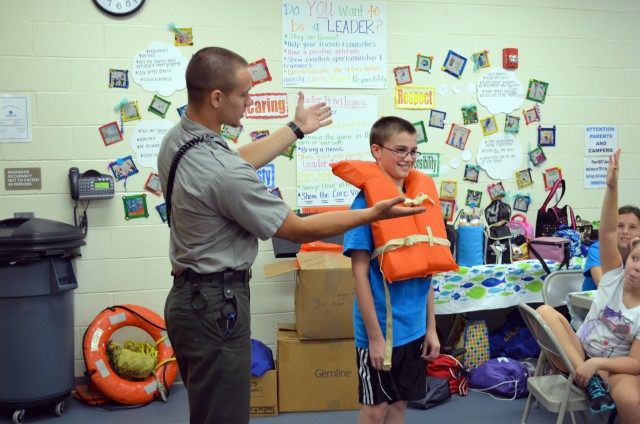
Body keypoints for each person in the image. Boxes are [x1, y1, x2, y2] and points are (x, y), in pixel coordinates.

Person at [156, 47, 426, 424]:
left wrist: (295, 128)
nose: (249, 102)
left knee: (207, 411)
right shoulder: (222, 173)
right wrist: (371, 213)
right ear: (217, 98)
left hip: (189, 300)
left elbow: (237, 158)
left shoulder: (180, 138)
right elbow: (296, 229)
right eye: (244, 94)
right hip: (216, 305)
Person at [341, 117, 442, 424]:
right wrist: (374, 337)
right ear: (377, 150)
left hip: (413, 330)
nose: (408, 158)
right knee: (376, 410)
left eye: (413, 151)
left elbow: (425, 270)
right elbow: (359, 275)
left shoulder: (418, 203)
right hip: (382, 330)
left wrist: (431, 328)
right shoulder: (363, 208)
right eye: (400, 150)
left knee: (399, 404)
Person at [537, 149, 640, 421]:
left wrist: (598, 365)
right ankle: (588, 378)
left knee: (631, 400)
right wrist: (611, 186)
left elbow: (635, 363)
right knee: (545, 312)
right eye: (636, 259)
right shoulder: (613, 274)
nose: (637, 266)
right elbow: (607, 231)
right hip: (577, 352)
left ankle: (591, 375)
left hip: (611, 366)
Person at [582, 205, 640, 290]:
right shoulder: (598, 249)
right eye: (620, 226)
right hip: (593, 302)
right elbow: (605, 286)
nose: (625, 231)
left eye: (632, 227)